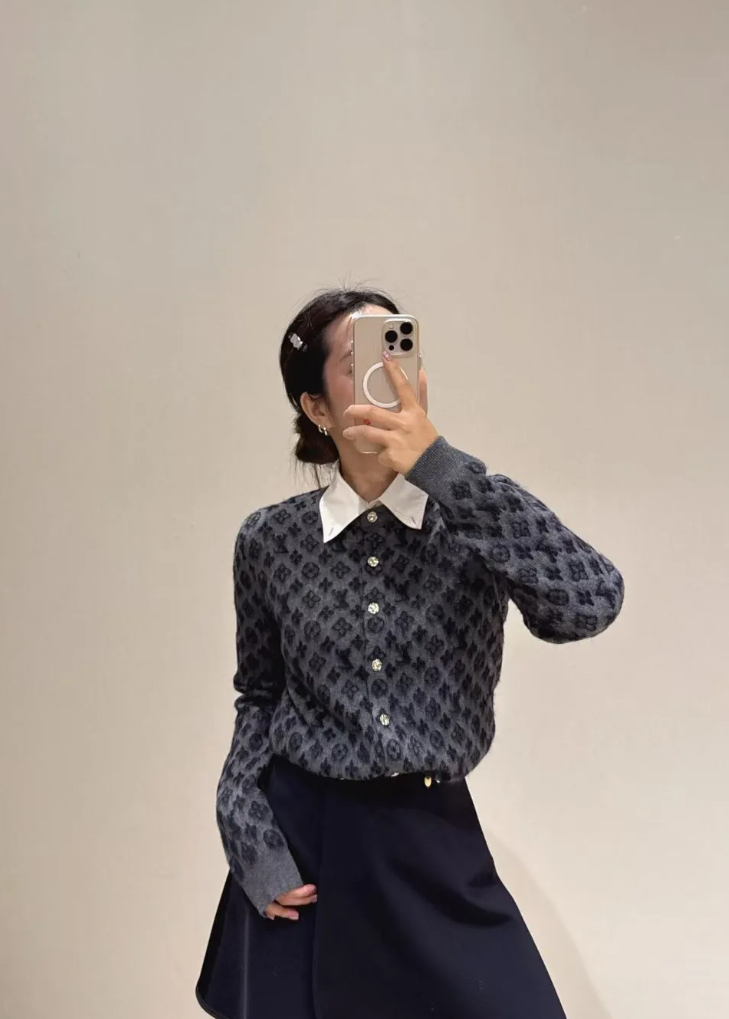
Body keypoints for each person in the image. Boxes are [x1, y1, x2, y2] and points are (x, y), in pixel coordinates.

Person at [195, 287, 624, 1019]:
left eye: (399, 349)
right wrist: (247, 832)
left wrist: (444, 469)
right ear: (316, 407)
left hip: (432, 836)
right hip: (305, 840)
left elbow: (590, 602)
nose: (389, 375)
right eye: (360, 361)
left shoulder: (471, 516)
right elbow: (259, 696)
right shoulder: (269, 540)